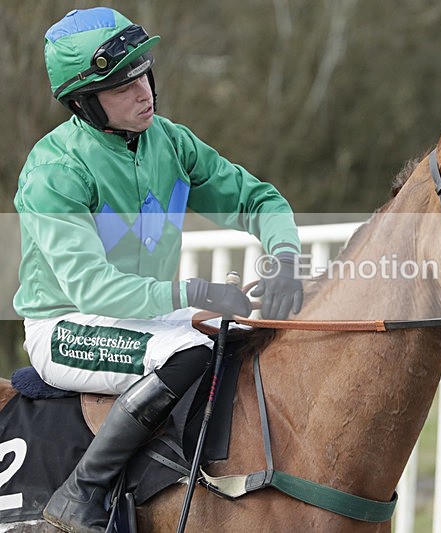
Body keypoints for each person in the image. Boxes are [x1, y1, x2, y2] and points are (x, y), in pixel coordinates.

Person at [14, 7, 303, 532]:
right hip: (64, 326)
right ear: (84, 101)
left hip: (142, 317)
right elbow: (93, 289)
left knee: (241, 338)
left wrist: (284, 257)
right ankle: (82, 492)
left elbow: (258, 199)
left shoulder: (170, 141)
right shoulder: (55, 170)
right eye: (122, 87)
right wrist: (194, 291)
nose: (144, 92)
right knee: (189, 349)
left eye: (144, 74)